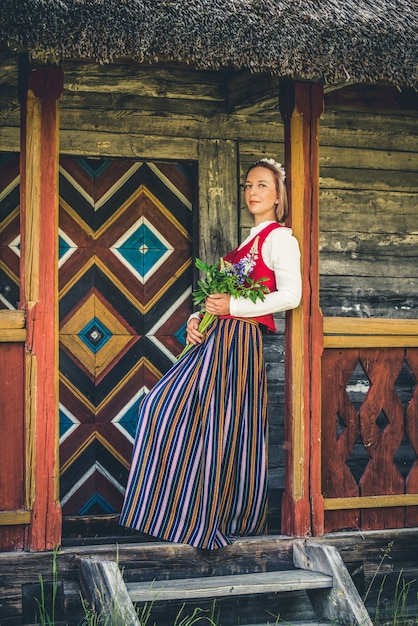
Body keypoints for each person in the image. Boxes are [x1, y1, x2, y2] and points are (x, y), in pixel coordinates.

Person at [119, 158, 302, 550]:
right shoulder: (246, 243)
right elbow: (220, 297)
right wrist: (199, 316)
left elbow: (291, 296)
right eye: (248, 186)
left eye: (262, 186)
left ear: (278, 196)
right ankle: (178, 515)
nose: (253, 192)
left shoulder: (279, 239)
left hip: (240, 342)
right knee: (164, 408)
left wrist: (231, 308)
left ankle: (213, 518)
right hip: (215, 339)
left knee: (219, 426)